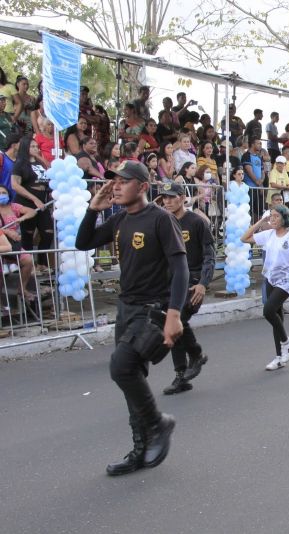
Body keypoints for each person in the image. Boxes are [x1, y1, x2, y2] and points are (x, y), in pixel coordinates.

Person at [75, 160, 188, 475]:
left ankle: (158, 423)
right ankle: (139, 450)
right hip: (126, 309)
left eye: (123, 181)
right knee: (130, 377)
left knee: (121, 367)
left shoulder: (162, 220)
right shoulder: (120, 219)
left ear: (142, 186)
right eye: (114, 181)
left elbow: (180, 268)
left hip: (152, 309)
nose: (116, 185)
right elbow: (82, 242)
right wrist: (93, 208)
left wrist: (174, 315)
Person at [156, 182, 214, 394]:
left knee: (177, 319)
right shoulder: (163, 222)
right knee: (171, 326)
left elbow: (210, 255)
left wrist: (203, 284)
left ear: (182, 198)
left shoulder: (197, 222)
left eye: (172, 197)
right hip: (170, 283)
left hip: (193, 281)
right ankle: (182, 375)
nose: (168, 201)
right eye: (165, 198)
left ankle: (196, 355)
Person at [241, 205, 289, 370]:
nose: (272, 219)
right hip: (270, 278)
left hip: (286, 281)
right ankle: (279, 357)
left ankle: (286, 342)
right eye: (271, 216)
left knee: (268, 311)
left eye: (276, 216)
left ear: (285, 218)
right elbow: (244, 238)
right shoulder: (268, 234)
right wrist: (261, 220)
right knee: (277, 318)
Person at [10, 136, 53, 269]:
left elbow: (50, 169)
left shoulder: (40, 163)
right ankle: (28, 266)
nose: (35, 149)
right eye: (32, 147)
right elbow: (15, 185)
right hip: (27, 202)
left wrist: (39, 157)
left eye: (36, 146)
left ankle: (41, 263)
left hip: (43, 202)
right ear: (25, 148)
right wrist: (33, 198)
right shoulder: (20, 164)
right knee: (27, 234)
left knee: (48, 233)